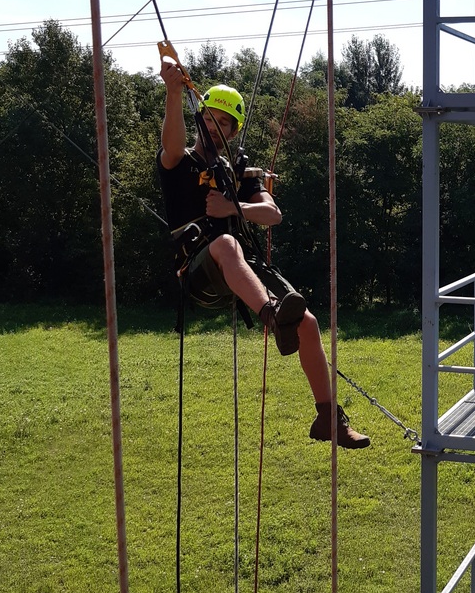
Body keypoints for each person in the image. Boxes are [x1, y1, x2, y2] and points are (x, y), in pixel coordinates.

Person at [157, 56, 370, 448]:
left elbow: (272, 214)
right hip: (198, 272)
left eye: (224, 122)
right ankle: (272, 316)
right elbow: (170, 145)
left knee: (306, 322)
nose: (214, 126)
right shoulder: (179, 163)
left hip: (239, 267)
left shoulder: (237, 172)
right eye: (210, 118)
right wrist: (173, 92)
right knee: (226, 243)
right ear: (199, 119)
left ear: (233, 131)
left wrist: (233, 207)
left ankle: (329, 418)